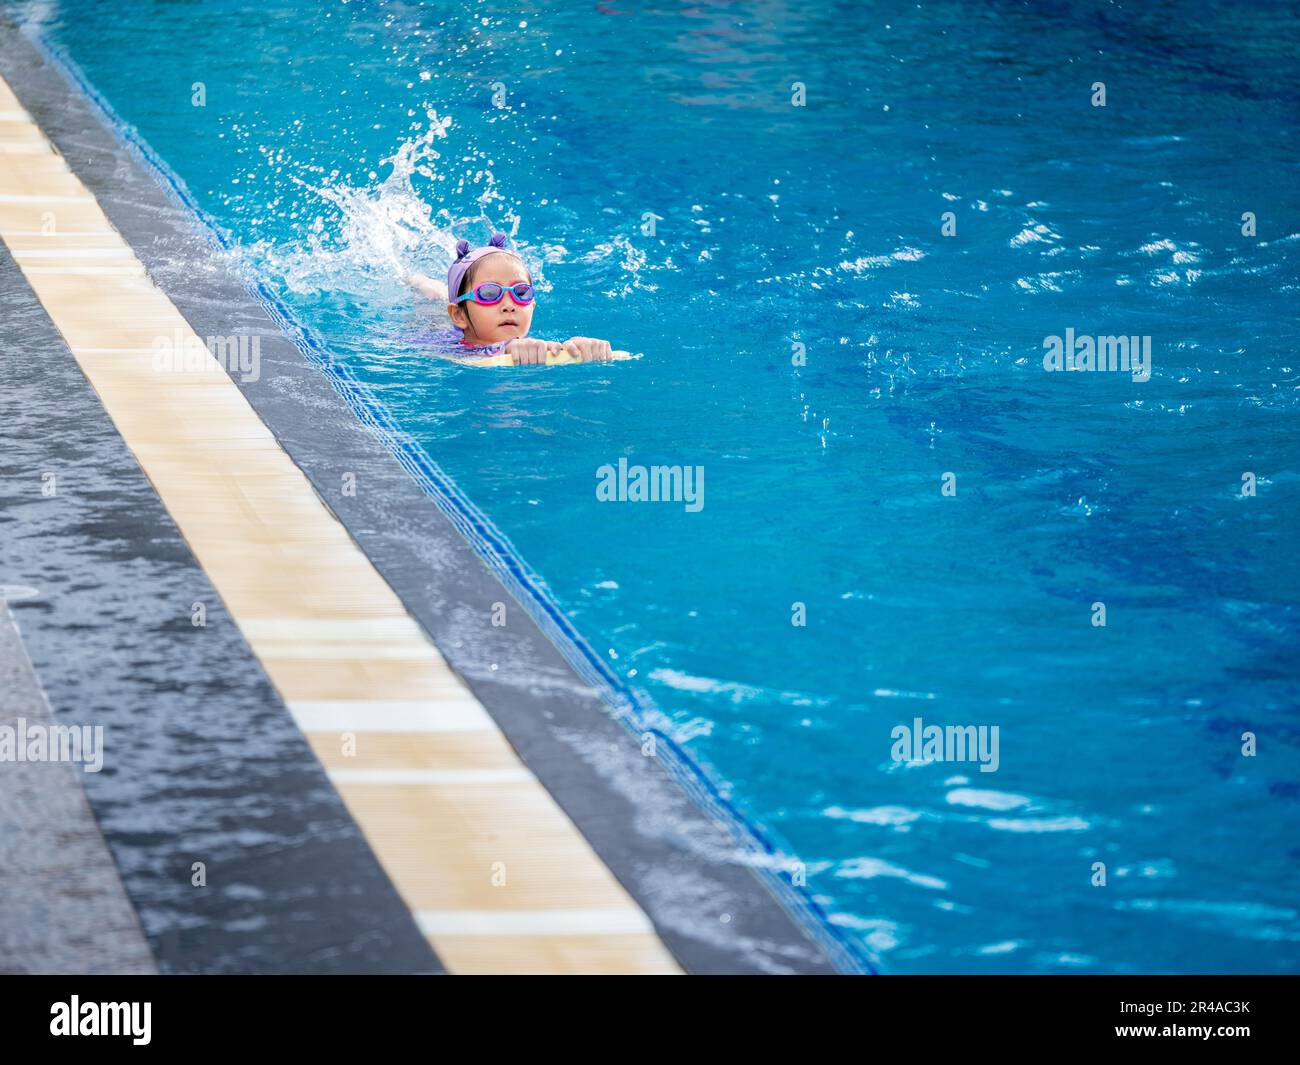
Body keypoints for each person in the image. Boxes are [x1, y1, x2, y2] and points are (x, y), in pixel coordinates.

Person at [405, 232, 616, 365]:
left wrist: (578, 349)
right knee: (431, 296)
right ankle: (419, 280)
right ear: (459, 315)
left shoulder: (533, 345)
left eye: (521, 293)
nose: (509, 305)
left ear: (532, 306)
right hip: (434, 324)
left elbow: (555, 349)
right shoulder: (439, 345)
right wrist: (503, 348)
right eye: (489, 293)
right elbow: (465, 357)